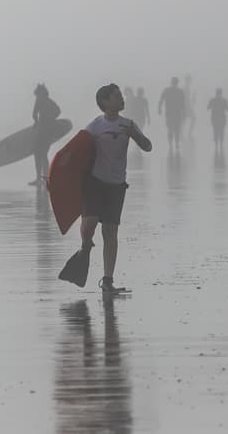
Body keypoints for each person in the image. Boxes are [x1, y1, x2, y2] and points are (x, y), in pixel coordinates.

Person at [79, 84, 151, 302]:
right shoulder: (95, 126)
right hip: (95, 182)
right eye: (117, 96)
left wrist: (134, 135)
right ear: (105, 102)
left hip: (116, 185)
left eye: (121, 96)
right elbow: (76, 152)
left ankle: (107, 280)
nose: (122, 99)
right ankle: (85, 245)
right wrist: (57, 179)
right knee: (90, 223)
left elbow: (148, 146)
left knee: (110, 232)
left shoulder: (128, 124)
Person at [31, 84, 62, 186]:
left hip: (44, 131)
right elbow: (58, 111)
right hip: (47, 131)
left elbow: (34, 114)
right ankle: (44, 178)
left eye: (37, 94)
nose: (37, 96)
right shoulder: (47, 101)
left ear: (41, 93)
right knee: (42, 154)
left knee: (39, 154)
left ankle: (41, 178)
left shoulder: (42, 101)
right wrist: (50, 120)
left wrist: (38, 122)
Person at [158, 77, 187, 153]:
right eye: (174, 82)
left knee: (175, 130)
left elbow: (183, 103)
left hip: (175, 113)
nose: (174, 84)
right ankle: (172, 144)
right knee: (172, 129)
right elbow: (161, 99)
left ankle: (175, 143)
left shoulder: (177, 91)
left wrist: (159, 108)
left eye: (175, 82)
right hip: (172, 113)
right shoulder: (172, 91)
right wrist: (159, 108)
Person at [207, 88, 228, 153]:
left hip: (214, 118)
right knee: (221, 131)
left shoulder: (212, 100)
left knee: (215, 131)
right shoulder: (224, 100)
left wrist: (210, 103)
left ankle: (216, 144)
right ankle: (220, 144)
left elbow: (208, 107)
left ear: (216, 93)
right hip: (222, 118)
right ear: (221, 93)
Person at [183, 74, 197, 139]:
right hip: (185, 107)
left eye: (190, 80)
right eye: (189, 80)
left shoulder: (187, 88)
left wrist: (193, 98)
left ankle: (188, 133)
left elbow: (189, 99)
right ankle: (188, 133)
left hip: (187, 107)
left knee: (191, 119)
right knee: (186, 120)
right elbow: (185, 99)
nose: (190, 81)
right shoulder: (185, 88)